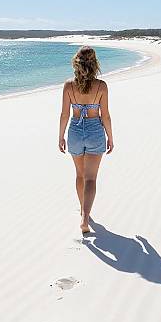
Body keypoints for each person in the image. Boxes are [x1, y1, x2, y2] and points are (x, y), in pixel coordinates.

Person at [58, 45, 114, 233]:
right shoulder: (101, 86)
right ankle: (85, 218)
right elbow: (105, 115)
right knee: (91, 179)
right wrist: (110, 137)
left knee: (80, 175)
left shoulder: (68, 86)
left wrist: (60, 136)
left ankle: (83, 210)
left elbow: (64, 115)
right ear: (94, 63)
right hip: (95, 130)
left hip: (74, 131)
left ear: (76, 63)